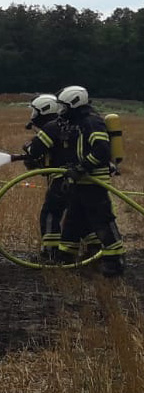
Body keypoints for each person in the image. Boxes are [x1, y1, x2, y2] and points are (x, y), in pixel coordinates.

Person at [56, 85, 125, 277]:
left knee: (102, 221)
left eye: (64, 107)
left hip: (94, 183)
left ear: (75, 104)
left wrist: (81, 167)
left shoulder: (92, 123)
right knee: (72, 221)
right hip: (82, 183)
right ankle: (64, 256)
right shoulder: (79, 123)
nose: (61, 111)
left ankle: (115, 261)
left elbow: (102, 151)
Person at [16, 93, 88, 264]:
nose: (32, 116)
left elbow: (35, 150)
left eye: (35, 112)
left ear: (44, 110)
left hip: (62, 179)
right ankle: (94, 250)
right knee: (81, 213)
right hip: (82, 178)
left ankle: (51, 251)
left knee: (51, 212)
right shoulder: (72, 126)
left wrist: (28, 147)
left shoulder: (52, 127)